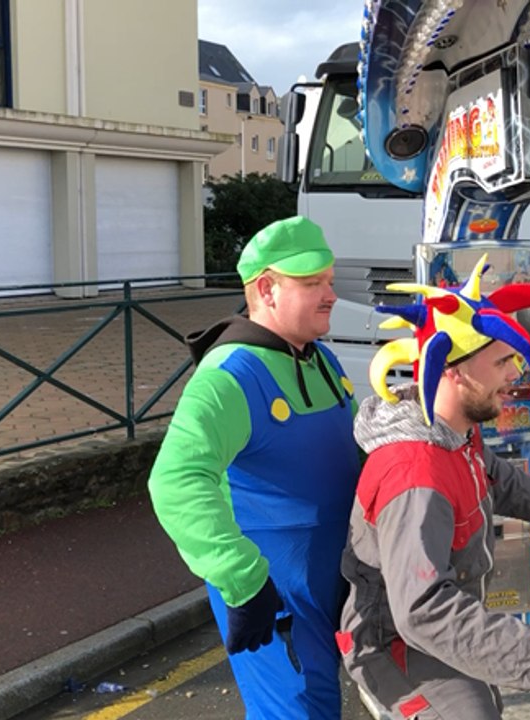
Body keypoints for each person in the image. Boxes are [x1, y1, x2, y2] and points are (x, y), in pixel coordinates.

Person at [339, 257, 530, 718]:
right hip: (395, 645)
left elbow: (489, 472)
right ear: (452, 370)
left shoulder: (455, 433)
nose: (515, 374)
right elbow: (423, 608)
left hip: (429, 628)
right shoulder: (416, 476)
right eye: (503, 361)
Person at [147, 216, 359, 718]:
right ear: (266, 289)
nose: (331, 295)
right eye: (312, 283)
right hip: (273, 590)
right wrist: (242, 580)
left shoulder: (321, 361)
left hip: (336, 579)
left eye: (330, 281)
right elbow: (176, 481)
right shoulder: (229, 376)